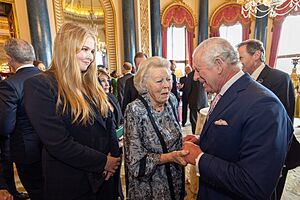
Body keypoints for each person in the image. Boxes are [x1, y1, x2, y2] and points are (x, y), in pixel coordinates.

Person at [182, 37, 293, 200]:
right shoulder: (227, 92)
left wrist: (200, 158)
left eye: (198, 70)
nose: (195, 77)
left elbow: (254, 184)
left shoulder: (265, 105)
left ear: (219, 65)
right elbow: (238, 136)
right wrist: (203, 139)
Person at [23, 23, 121, 200]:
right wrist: (103, 162)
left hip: (106, 179)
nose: (90, 57)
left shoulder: (92, 83)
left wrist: (113, 159)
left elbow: (109, 125)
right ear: (67, 48)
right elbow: (59, 143)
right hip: (73, 181)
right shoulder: (40, 85)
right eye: (84, 49)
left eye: (92, 51)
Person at [237, 39, 298, 199]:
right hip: (251, 149)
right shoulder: (244, 80)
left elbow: (283, 120)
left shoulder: (279, 78)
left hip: (273, 151)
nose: (239, 62)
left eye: (241, 57)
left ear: (256, 55)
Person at [124, 56, 188, 200]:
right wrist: (169, 157)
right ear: (145, 84)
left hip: (175, 182)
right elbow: (135, 164)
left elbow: (171, 136)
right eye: (159, 81)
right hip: (150, 190)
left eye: (169, 79)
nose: (166, 85)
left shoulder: (171, 100)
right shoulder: (135, 110)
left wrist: (184, 142)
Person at [0, 38, 42, 200]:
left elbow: (5, 127)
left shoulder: (10, 85)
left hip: (27, 152)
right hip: (54, 147)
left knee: (37, 192)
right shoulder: (51, 78)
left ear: (10, 59)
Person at [98, 69, 124, 200]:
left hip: (118, 146)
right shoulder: (94, 102)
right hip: (104, 152)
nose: (107, 84)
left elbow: (120, 120)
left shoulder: (112, 97)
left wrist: (122, 135)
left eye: (107, 80)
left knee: (116, 176)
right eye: (102, 81)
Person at [185, 69, 208, 134]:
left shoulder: (191, 75)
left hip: (193, 100)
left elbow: (187, 88)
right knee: (203, 119)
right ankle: (203, 134)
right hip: (204, 99)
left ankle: (195, 134)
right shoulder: (204, 72)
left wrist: (187, 98)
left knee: (194, 119)